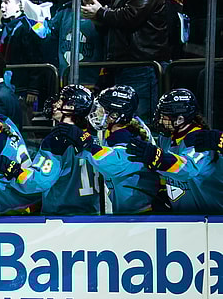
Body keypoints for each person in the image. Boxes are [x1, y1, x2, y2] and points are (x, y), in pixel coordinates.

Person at [0, 85, 101, 216]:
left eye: (61, 99)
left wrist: (11, 169)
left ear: (71, 107)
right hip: (93, 215)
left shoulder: (57, 139)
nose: (55, 103)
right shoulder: (93, 138)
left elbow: (39, 182)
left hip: (62, 217)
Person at [81, 0, 168, 122]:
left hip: (140, 65)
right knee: (121, 120)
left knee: (138, 119)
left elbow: (130, 16)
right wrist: (99, 15)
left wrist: (100, 12)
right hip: (126, 63)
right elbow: (115, 22)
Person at [125, 89, 223, 214]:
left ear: (180, 119)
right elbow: (165, 174)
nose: (160, 121)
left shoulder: (202, 140)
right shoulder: (166, 138)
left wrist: (159, 159)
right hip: (182, 218)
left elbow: (187, 169)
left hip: (213, 220)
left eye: (164, 117)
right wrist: (163, 192)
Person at [67, 85, 162, 214]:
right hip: (127, 206)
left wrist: (85, 144)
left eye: (101, 110)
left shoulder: (128, 139)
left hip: (141, 212)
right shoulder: (122, 128)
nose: (97, 113)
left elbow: (112, 163)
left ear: (116, 115)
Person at [45, 0, 108, 88]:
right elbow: (48, 35)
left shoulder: (107, 10)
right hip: (66, 82)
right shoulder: (65, 10)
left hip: (95, 82)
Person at [0, 0, 50, 121]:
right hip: (6, 85)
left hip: (22, 87)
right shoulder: (2, 29)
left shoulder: (29, 28)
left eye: (7, 2)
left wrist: (33, 89)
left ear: (21, 5)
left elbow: (36, 58)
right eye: (2, 2)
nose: (2, 6)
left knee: (23, 122)